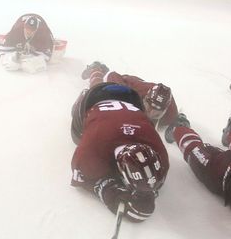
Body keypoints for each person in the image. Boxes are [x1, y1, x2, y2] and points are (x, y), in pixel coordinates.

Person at [70, 82, 169, 222]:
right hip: (95, 98)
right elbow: (80, 173)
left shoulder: (158, 151)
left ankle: (95, 76)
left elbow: (159, 174)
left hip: (130, 98)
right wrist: (107, 190)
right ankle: (88, 86)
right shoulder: (95, 146)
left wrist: (147, 189)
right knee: (77, 136)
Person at [80, 61, 179, 130]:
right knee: (98, 90)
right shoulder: (130, 92)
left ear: (164, 111)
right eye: (148, 107)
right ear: (144, 99)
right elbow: (112, 76)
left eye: (156, 114)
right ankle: (96, 67)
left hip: (144, 87)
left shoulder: (170, 115)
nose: (149, 114)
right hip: (129, 82)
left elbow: (178, 119)